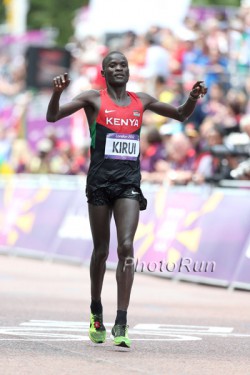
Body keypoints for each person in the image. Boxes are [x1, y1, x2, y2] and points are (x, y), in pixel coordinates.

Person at [46, 51, 207, 348]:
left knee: (126, 246)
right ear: (104, 73)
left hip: (128, 183)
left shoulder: (141, 100)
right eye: (112, 65)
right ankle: (96, 307)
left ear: (129, 72)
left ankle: (121, 321)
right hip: (99, 182)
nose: (118, 68)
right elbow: (52, 117)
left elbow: (182, 114)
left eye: (123, 65)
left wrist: (193, 98)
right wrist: (56, 94)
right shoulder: (92, 99)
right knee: (100, 251)